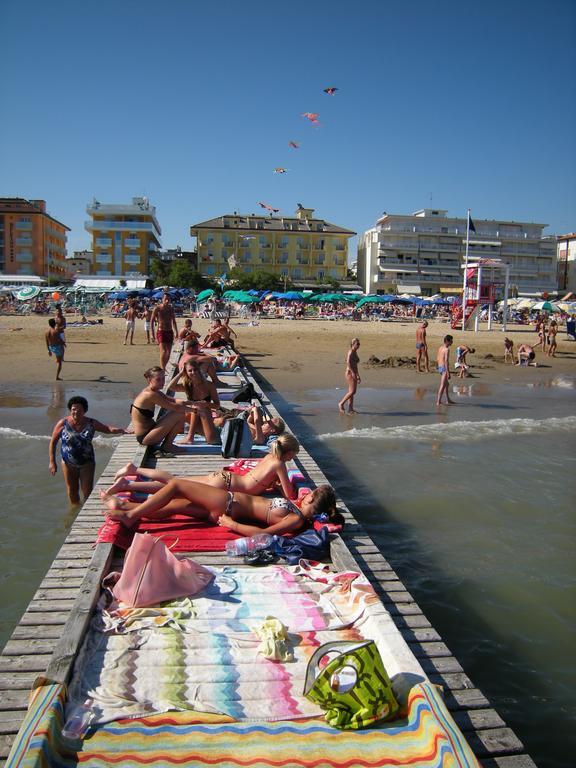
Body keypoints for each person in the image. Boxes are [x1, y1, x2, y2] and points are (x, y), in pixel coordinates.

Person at [102, 478, 340, 538]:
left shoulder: (296, 520)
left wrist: (232, 525)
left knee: (175, 485)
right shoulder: (297, 512)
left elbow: (264, 535)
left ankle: (132, 515)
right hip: (224, 507)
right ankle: (126, 506)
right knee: (175, 506)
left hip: (226, 503)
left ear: (311, 499)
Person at [104, 433, 301, 499]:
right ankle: (130, 482)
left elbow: (259, 480)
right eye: (294, 455)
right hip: (226, 486)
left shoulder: (269, 456)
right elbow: (290, 495)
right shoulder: (279, 464)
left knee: (175, 483)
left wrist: (270, 485)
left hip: (225, 479)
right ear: (289, 453)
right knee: (174, 487)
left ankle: (133, 474)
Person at [49, 396, 124, 504]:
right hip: (67, 463)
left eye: (79, 409)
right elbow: (53, 442)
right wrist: (52, 462)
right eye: (74, 409)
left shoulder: (91, 423)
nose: (76, 412)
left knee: (87, 492)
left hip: (87, 463)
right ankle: (74, 511)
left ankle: (86, 508)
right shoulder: (62, 423)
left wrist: (122, 430)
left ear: (84, 411)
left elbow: (107, 429)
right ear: (70, 410)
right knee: (72, 491)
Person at [130, 366, 197, 457]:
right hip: (146, 437)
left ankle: (167, 445)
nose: (162, 382)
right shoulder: (150, 394)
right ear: (149, 380)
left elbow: (174, 401)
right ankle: (168, 446)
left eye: (163, 378)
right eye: (158, 379)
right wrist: (195, 411)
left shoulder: (154, 391)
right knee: (179, 413)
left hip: (151, 431)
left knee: (179, 411)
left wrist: (195, 403)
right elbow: (175, 407)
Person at [167, 362, 220, 444]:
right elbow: (170, 387)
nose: (193, 372)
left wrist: (206, 404)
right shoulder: (187, 385)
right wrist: (180, 373)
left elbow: (217, 405)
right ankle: (190, 437)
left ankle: (190, 436)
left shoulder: (209, 385)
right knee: (188, 408)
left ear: (199, 370)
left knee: (211, 440)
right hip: (192, 417)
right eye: (190, 371)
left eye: (195, 370)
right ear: (186, 373)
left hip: (205, 416)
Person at [151, 292, 178, 370]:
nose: (167, 300)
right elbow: (152, 321)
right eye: (165, 299)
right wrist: (152, 334)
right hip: (161, 331)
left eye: (168, 299)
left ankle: (164, 367)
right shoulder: (157, 308)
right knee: (163, 351)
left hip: (169, 331)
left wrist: (176, 332)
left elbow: (173, 321)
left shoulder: (171, 309)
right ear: (162, 299)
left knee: (168, 353)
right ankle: (163, 368)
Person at [338, 338, 361, 413]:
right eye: (357, 344)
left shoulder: (355, 352)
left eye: (359, 344)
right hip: (349, 373)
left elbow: (355, 365)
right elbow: (348, 363)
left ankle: (350, 408)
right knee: (352, 392)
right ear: (353, 344)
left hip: (354, 372)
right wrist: (353, 373)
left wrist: (358, 375)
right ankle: (341, 404)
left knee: (351, 391)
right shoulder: (350, 352)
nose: (358, 345)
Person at [436, 335, 454, 405]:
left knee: (447, 384)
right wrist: (448, 372)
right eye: (451, 341)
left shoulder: (440, 348)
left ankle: (448, 400)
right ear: (447, 341)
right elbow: (446, 361)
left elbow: (437, 358)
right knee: (442, 385)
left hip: (440, 367)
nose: (452, 342)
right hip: (444, 368)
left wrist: (438, 366)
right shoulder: (447, 349)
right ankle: (438, 401)